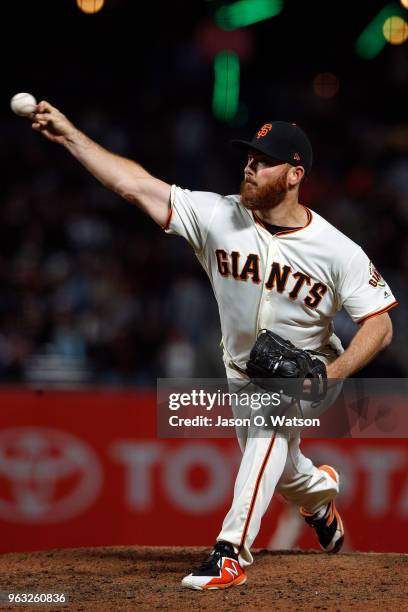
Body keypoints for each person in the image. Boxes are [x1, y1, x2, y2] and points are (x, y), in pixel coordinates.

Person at [31, 105, 397, 590]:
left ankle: (229, 553)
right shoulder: (218, 216)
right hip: (243, 368)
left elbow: (380, 323)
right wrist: (71, 135)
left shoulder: (338, 250)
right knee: (283, 472)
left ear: (294, 175)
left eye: (263, 160)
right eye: (248, 156)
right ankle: (318, 494)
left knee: (273, 415)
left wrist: (333, 374)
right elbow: (135, 185)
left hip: (311, 370)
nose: (249, 165)